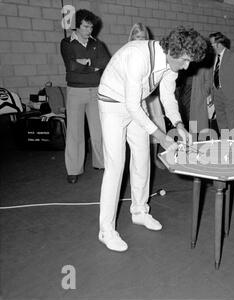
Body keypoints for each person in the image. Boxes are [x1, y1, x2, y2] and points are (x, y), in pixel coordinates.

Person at [97, 26, 207, 252]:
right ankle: (106, 231)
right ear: (173, 51)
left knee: (142, 158)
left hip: (137, 104)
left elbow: (167, 96)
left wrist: (178, 125)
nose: (187, 66)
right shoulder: (138, 57)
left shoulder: (170, 63)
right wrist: (161, 136)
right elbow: (131, 106)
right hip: (112, 105)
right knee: (116, 165)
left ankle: (139, 211)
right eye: (186, 60)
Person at [60, 9, 110, 184]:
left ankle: (101, 163)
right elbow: (71, 66)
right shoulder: (66, 43)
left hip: (96, 91)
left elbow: (104, 62)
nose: (90, 30)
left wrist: (84, 63)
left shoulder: (98, 44)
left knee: (99, 131)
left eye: (92, 27)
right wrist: (91, 65)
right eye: (86, 26)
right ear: (77, 26)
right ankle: (73, 169)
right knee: (74, 132)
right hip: (75, 92)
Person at [128, 22, 166, 169]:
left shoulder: (151, 52)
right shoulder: (128, 52)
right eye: (137, 37)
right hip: (135, 98)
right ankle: (141, 160)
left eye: (143, 37)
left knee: (157, 124)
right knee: (140, 128)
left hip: (151, 96)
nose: (140, 40)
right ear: (131, 38)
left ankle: (155, 157)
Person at [209, 32, 234, 131]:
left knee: (233, 124)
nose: (211, 46)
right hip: (217, 94)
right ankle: (225, 144)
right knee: (221, 122)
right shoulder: (213, 58)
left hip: (231, 94)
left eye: (212, 44)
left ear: (218, 44)